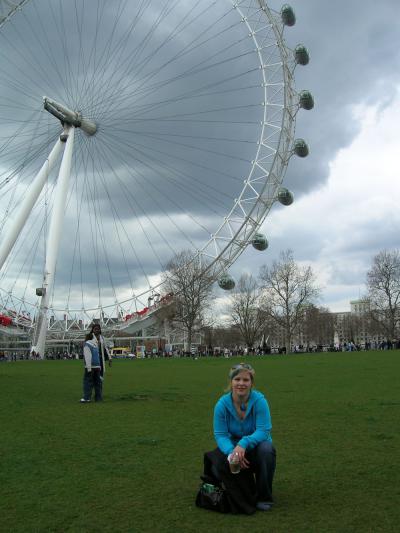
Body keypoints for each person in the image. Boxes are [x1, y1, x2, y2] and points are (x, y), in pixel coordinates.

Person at [210, 362, 276, 512]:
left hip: (255, 448)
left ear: (251, 382)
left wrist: (244, 444)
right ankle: (236, 490)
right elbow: (220, 435)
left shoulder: (260, 401)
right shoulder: (221, 405)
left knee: (267, 449)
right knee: (215, 466)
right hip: (233, 450)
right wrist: (231, 452)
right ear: (231, 382)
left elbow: (264, 430)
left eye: (246, 380)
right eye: (237, 379)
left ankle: (264, 496)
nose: (241, 383)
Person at [81, 323, 112, 403]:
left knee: (99, 380)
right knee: (94, 379)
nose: (97, 330)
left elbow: (105, 348)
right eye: (95, 329)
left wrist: (109, 358)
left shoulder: (101, 338)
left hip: (99, 361)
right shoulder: (90, 338)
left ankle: (97, 396)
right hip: (94, 361)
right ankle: (93, 396)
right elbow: (88, 354)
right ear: (92, 330)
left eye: (98, 329)